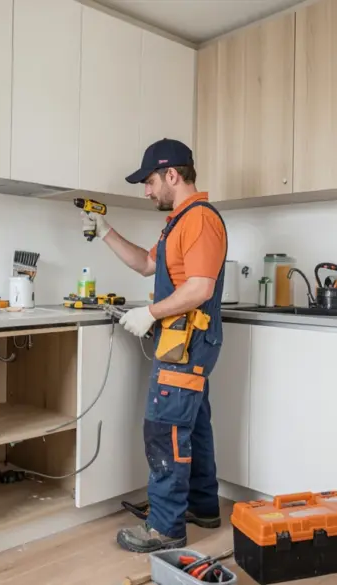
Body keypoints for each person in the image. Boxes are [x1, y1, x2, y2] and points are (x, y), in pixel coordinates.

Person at [82, 138, 227, 553]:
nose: (146, 192)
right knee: (192, 425)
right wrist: (106, 232)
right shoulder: (179, 220)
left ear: (171, 175)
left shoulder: (198, 219)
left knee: (165, 430)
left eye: (148, 182)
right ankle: (202, 506)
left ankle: (166, 527)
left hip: (187, 340)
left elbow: (199, 287)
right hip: (182, 339)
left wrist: (151, 313)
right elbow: (147, 264)